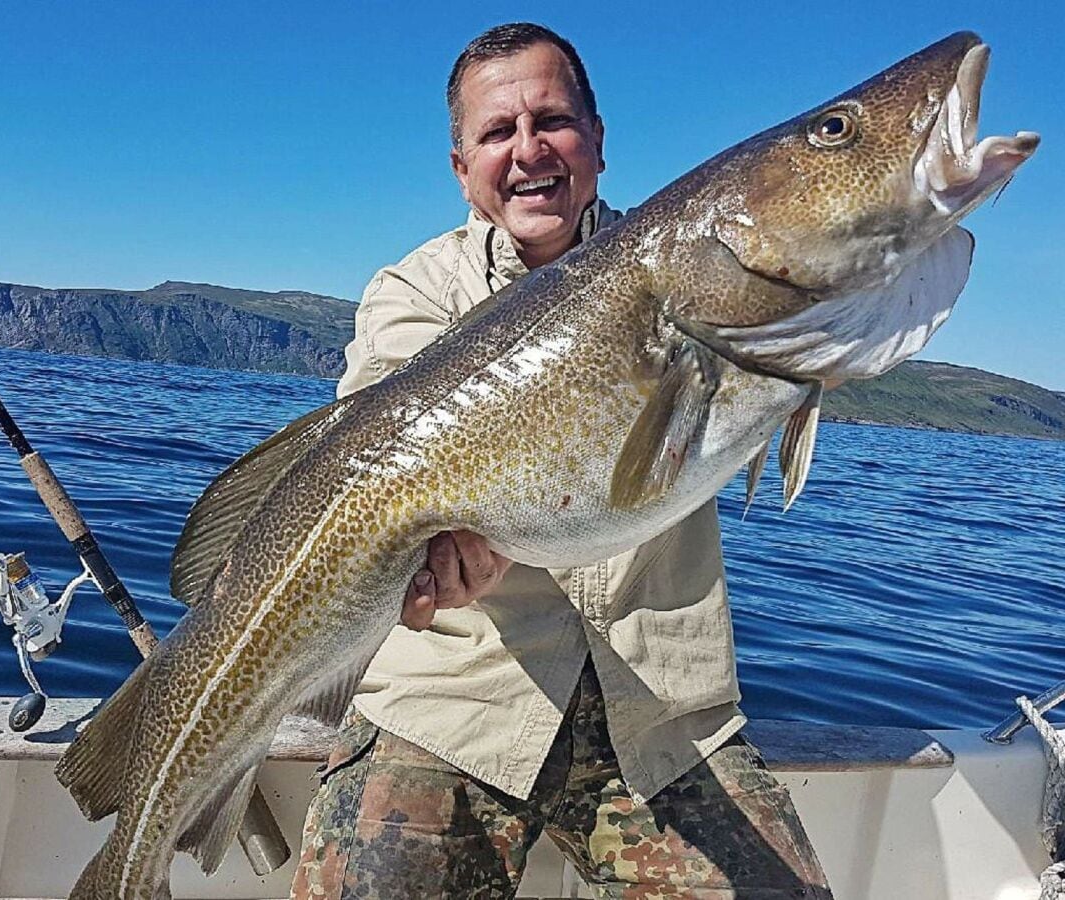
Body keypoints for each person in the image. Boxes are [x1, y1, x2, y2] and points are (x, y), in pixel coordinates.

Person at [292, 22, 832, 900]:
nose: (528, 150)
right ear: (462, 169)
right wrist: (432, 561)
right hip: (454, 703)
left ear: (599, 143)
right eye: (497, 133)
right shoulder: (413, 293)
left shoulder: (697, 266)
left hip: (661, 719)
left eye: (553, 120)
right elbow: (378, 459)